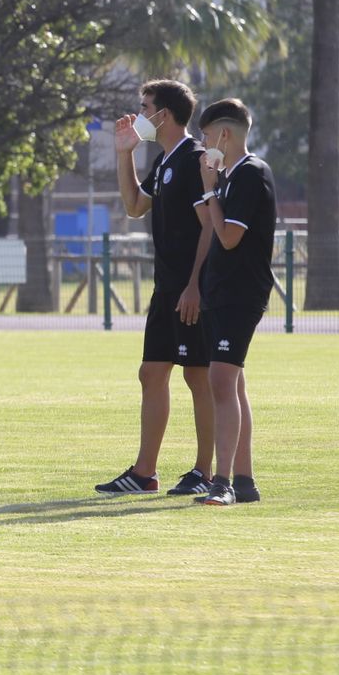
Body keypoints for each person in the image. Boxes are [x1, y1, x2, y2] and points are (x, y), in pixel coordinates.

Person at [94, 80, 216, 497]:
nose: (140, 114)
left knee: (198, 376)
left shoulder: (194, 158)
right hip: (166, 288)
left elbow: (209, 227)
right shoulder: (165, 161)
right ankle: (144, 473)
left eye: (145, 107)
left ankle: (204, 471)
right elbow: (134, 207)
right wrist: (124, 153)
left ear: (165, 114)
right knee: (151, 373)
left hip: (190, 289)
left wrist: (195, 285)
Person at [193, 98, 277, 507]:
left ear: (224, 135)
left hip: (241, 293)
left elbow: (228, 237)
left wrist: (210, 189)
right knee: (233, 382)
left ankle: (222, 481)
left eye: (206, 136)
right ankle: (244, 481)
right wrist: (209, 188)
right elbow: (210, 227)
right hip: (220, 290)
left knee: (221, 382)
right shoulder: (227, 176)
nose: (203, 143)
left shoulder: (250, 173)